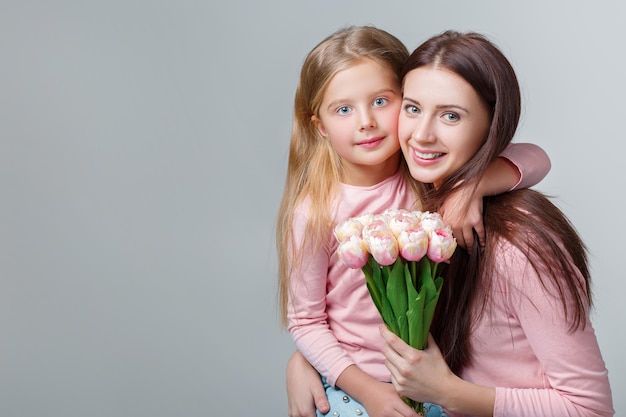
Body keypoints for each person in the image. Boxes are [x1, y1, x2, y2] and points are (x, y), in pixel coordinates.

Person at [278, 26, 552, 417]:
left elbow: (537, 157)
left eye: (381, 101)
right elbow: (305, 320)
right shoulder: (315, 211)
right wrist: (369, 392)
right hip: (357, 386)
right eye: (343, 109)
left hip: (440, 379)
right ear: (319, 126)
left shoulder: (426, 174)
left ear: (408, 102)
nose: (366, 122)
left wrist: (471, 187)